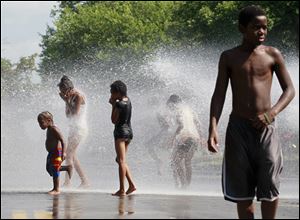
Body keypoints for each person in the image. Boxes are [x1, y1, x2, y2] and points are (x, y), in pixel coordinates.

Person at [207, 5, 295, 219]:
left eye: (265, 27)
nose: (262, 32)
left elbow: (290, 90)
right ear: (242, 28)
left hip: (266, 129)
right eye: (256, 27)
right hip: (238, 129)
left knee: (270, 185)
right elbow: (219, 94)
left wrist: (271, 113)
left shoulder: (272, 54)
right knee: (242, 192)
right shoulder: (229, 57)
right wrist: (212, 128)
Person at [58, 75, 89, 188]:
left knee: (68, 155)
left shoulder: (78, 96)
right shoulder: (70, 97)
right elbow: (68, 115)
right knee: (72, 155)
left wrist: (66, 100)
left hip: (79, 128)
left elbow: (75, 113)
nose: (63, 94)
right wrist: (66, 101)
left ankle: (67, 183)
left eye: (64, 91)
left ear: (69, 89)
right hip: (73, 128)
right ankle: (85, 181)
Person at [167, 94, 204, 189]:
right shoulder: (189, 110)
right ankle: (187, 185)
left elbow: (181, 125)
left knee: (175, 161)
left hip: (186, 137)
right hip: (194, 137)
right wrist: (201, 137)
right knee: (187, 162)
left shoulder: (178, 111)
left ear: (172, 104)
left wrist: (173, 138)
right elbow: (198, 124)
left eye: (170, 105)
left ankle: (183, 185)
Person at [109, 80, 136, 196]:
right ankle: (131, 185)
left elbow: (113, 120)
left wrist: (113, 105)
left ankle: (121, 189)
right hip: (129, 133)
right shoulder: (128, 100)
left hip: (120, 133)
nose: (111, 95)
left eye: (112, 93)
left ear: (118, 92)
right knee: (120, 160)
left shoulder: (119, 104)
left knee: (121, 161)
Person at [37, 111, 73, 195]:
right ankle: (67, 168)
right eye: (39, 123)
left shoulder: (54, 129)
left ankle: (56, 189)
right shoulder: (49, 128)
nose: (40, 125)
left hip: (57, 152)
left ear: (49, 120)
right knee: (49, 169)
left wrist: (63, 153)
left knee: (55, 169)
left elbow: (63, 140)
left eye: (41, 123)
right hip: (52, 152)